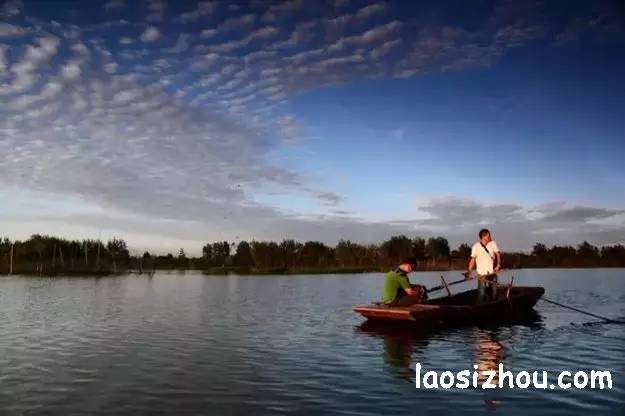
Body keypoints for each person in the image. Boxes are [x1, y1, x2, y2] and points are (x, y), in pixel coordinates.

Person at [465, 229, 502, 302]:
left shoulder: (493, 243)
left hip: (492, 273)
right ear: (484, 236)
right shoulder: (475, 247)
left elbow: (498, 255)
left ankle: (493, 305)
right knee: (481, 293)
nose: (490, 237)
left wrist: (498, 265)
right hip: (481, 274)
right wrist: (469, 272)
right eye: (489, 235)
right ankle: (478, 306)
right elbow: (472, 260)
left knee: (494, 292)